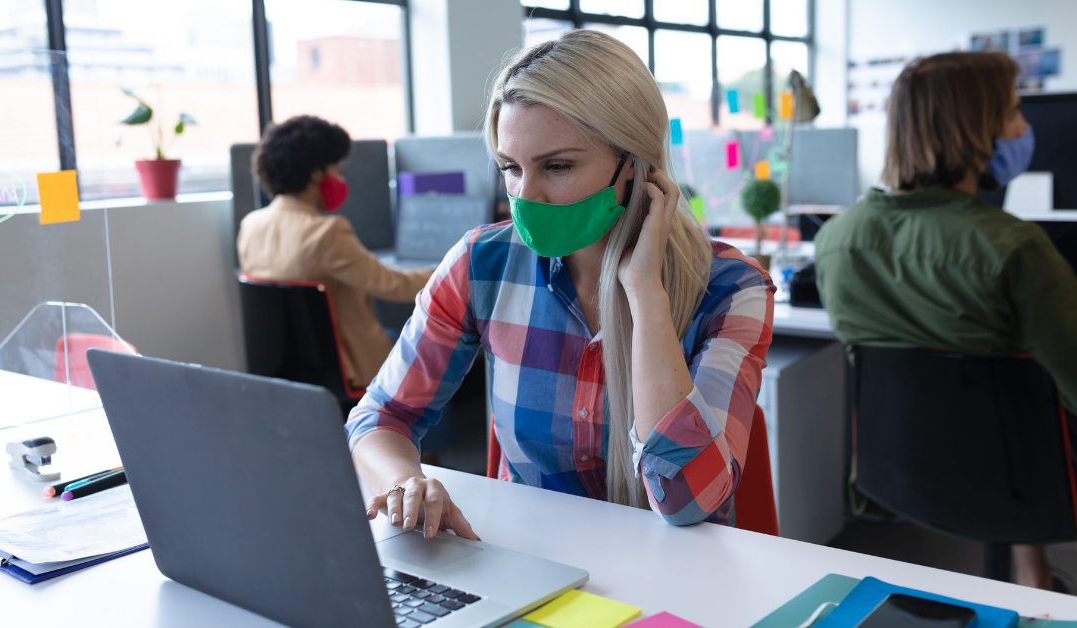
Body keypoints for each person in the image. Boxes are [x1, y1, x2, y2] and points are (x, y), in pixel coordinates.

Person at [345, 30, 775, 541]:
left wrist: (645, 295)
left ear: (636, 167)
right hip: (527, 564)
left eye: (558, 166)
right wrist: (404, 484)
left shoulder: (733, 288)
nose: (526, 197)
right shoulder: (483, 262)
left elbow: (686, 502)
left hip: (671, 578)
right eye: (510, 169)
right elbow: (380, 417)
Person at [815, 52, 1077, 590]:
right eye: (1012, 112)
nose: (1024, 127)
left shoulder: (836, 241)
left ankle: (1030, 570)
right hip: (1024, 477)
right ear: (973, 125)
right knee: (1019, 409)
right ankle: (1030, 576)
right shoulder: (1014, 246)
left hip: (904, 472)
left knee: (1004, 398)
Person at [238, 115, 433, 391]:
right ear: (317, 172)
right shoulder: (326, 233)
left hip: (293, 364)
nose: (340, 178)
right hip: (346, 364)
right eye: (337, 169)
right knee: (432, 360)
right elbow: (395, 286)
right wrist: (447, 270)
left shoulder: (251, 225)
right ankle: (424, 433)